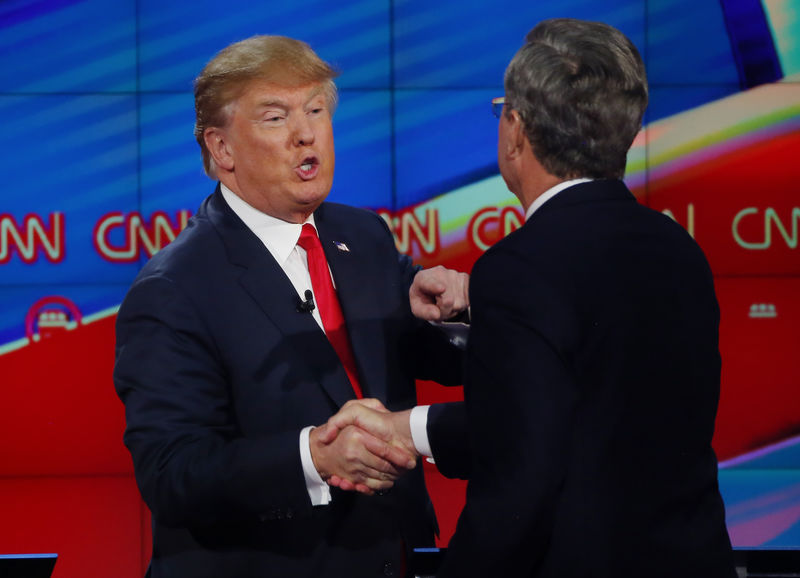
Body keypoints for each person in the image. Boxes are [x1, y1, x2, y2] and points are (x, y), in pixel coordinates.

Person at [113, 35, 468, 578]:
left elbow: (434, 355)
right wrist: (315, 458)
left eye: (316, 110)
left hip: (389, 554)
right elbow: (172, 473)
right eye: (276, 117)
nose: (306, 134)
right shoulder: (173, 288)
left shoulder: (362, 235)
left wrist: (468, 309)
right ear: (222, 149)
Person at [433, 18, 737, 578]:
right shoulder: (679, 250)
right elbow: (605, 408)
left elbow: (520, 488)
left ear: (516, 129)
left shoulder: (518, 268)